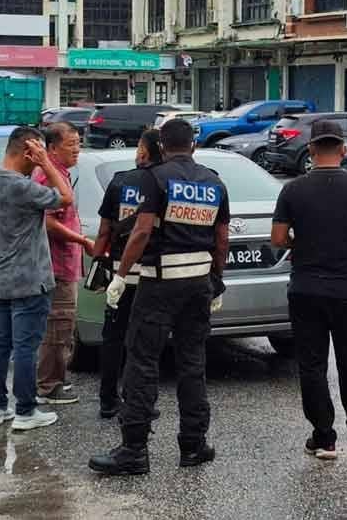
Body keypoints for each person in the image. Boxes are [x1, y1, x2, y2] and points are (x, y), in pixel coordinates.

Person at [89, 119, 230, 476]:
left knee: (142, 361)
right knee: (193, 362)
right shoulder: (214, 182)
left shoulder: (155, 178)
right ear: (194, 145)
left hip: (159, 281)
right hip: (198, 282)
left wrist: (120, 275)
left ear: (162, 147)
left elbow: (141, 231)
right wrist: (217, 280)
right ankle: (193, 445)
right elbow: (221, 239)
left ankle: (134, 450)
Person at [271, 120, 347, 460]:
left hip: (306, 289)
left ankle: (324, 438)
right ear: (343, 149)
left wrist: (301, 240)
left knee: (312, 365)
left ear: (310, 150)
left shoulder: (293, 189)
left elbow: (278, 238)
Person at [0, 126, 74, 432]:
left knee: (0, 344)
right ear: (28, 152)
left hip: (0, 278)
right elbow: (66, 197)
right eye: (38, 152)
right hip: (30, 280)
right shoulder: (21, 187)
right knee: (25, 348)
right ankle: (25, 410)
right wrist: (46, 163)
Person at [92, 129, 163, 418]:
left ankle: (108, 400)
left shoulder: (120, 181)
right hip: (155, 273)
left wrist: (98, 263)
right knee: (146, 341)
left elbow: (104, 231)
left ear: (143, 152)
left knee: (113, 336)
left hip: (120, 272)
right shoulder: (165, 183)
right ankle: (141, 400)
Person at [34, 123, 95, 405]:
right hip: (56, 264)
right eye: (71, 144)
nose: (77, 150)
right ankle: (49, 386)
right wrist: (81, 240)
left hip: (65, 262)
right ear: (53, 148)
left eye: (79, 143)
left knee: (62, 324)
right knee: (58, 325)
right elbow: (47, 223)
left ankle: (55, 378)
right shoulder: (48, 177)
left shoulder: (60, 174)